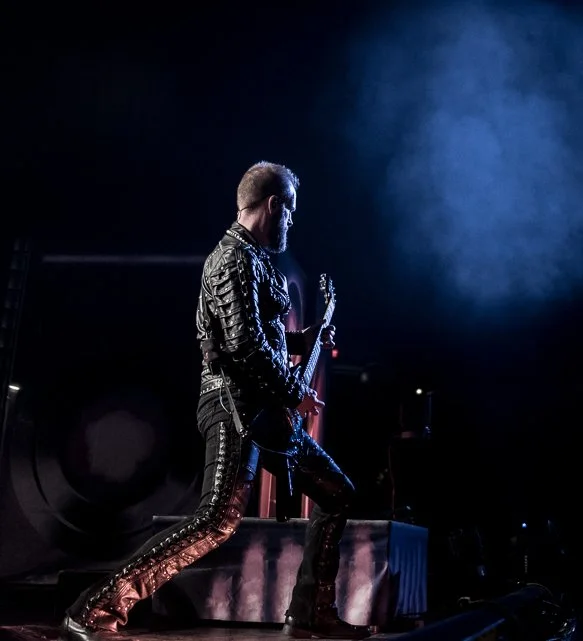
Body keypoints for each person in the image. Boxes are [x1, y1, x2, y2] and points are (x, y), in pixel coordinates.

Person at [60, 161, 371, 640]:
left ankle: (312, 612)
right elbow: (243, 346)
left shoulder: (255, 261)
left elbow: (259, 337)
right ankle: (94, 609)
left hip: (263, 412)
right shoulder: (231, 258)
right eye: (290, 211)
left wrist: (304, 340)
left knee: (337, 493)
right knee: (215, 519)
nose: (292, 221)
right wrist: (295, 391)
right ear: (273, 205)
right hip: (232, 406)